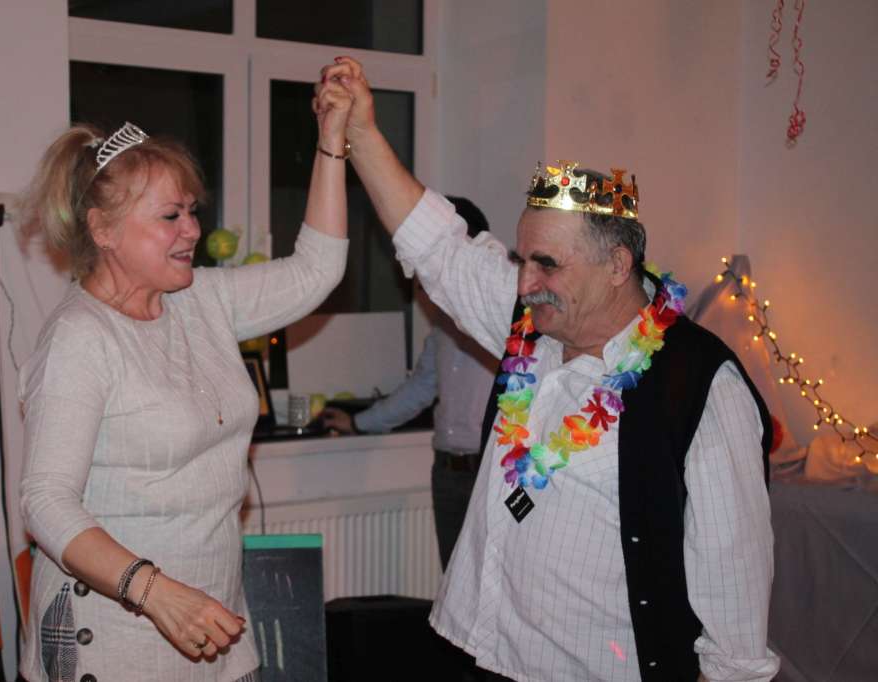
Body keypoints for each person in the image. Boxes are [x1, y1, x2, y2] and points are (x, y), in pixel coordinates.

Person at [316, 57, 779, 682]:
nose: (525, 282)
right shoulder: (530, 322)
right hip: (481, 656)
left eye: (547, 264)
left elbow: (733, 584)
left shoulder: (700, 387)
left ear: (617, 265)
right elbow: (436, 245)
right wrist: (363, 133)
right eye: (522, 259)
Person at [17, 74, 352, 682]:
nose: (192, 229)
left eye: (192, 211)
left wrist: (332, 141)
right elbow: (45, 501)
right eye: (170, 216)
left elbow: (316, 271)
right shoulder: (79, 338)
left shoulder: (202, 299)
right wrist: (153, 591)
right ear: (103, 230)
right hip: (115, 637)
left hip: (214, 623)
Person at [320, 196, 497, 570]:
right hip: (446, 473)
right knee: (453, 585)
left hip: (493, 474)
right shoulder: (443, 327)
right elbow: (420, 388)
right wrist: (359, 423)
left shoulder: (506, 311)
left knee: (493, 585)